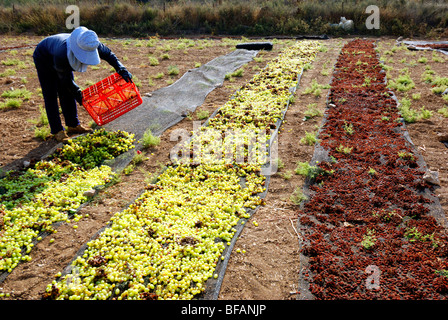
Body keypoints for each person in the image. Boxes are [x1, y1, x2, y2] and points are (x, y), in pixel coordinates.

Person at [33, 26, 132, 143]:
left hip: (58, 55)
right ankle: (57, 131)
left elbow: (109, 55)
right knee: (51, 94)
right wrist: (78, 94)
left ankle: (73, 125)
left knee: (67, 93)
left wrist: (121, 68)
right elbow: (65, 80)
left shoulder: (91, 43)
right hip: (44, 57)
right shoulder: (62, 54)